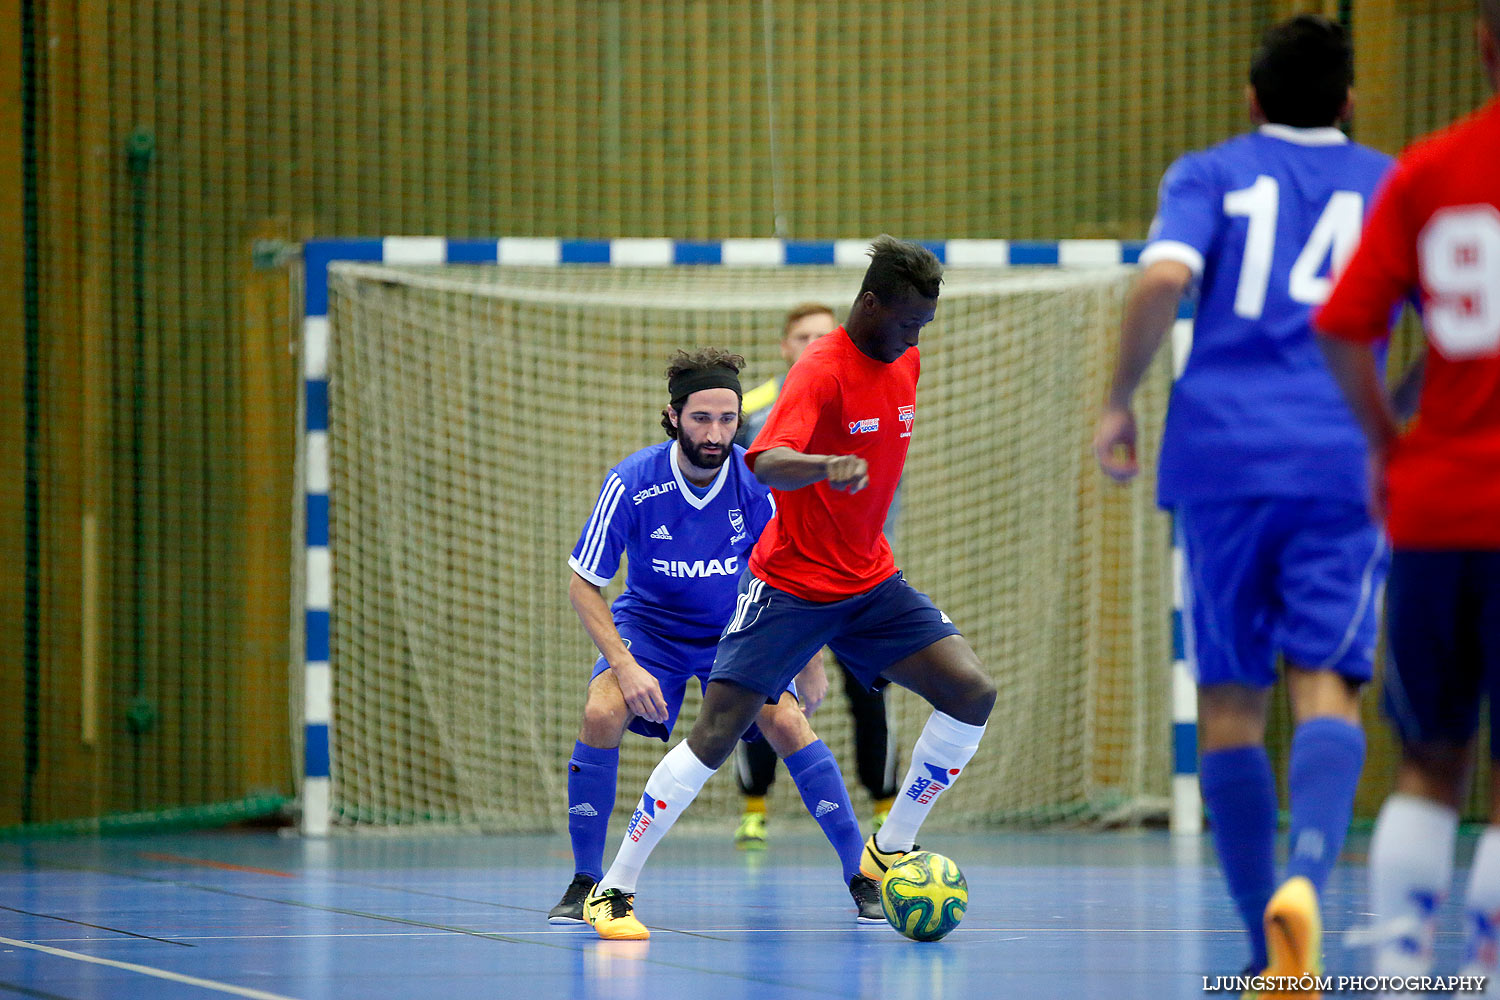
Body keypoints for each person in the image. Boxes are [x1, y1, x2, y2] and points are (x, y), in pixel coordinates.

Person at [1091, 15, 1394, 992]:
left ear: (1252, 99)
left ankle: (1266, 953)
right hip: (1342, 459)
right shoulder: (1393, 181)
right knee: (1326, 682)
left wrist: (1116, 400)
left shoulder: (1211, 171)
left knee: (1227, 700)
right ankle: (1306, 875)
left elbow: (1164, 278)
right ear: (1349, 101)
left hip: (1219, 456)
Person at [583, 235, 996, 941]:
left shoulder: (910, 358)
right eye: (904, 321)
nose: (912, 336)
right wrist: (825, 466)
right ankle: (612, 890)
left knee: (970, 691)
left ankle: (888, 848)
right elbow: (767, 459)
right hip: (789, 587)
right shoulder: (820, 371)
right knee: (716, 736)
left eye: (923, 323)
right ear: (870, 304)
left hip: (871, 579)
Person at [547, 347, 868, 929]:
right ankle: (587, 881)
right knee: (600, 713)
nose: (716, 432)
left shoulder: (758, 482)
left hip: (740, 629)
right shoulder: (632, 481)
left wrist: (808, 659)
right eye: (701, 418)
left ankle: (861, 876)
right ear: (673, 416)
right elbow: (582, 586)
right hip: (651, 629)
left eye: (728, 418)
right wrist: (624, 665)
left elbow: (798, 571)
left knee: (790, 723)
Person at [1315, 1, 1500, 988]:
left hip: (1438, 512)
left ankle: (1396, 963)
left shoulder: (1427, 173)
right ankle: (1481, 966)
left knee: (1429, 761)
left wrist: (1392, 443)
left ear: (1481, 43)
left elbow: (1344, 328)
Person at [731, 303, 901, 850]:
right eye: (801, 336)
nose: (812, 345)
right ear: (784, 346)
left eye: (823, 336)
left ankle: (884, 808)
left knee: (869, 690)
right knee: (761, 690)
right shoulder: (751, 412)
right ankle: (755, 807)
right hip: (775, 575)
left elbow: (879, 488)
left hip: (854, 574)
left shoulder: (866, 401)